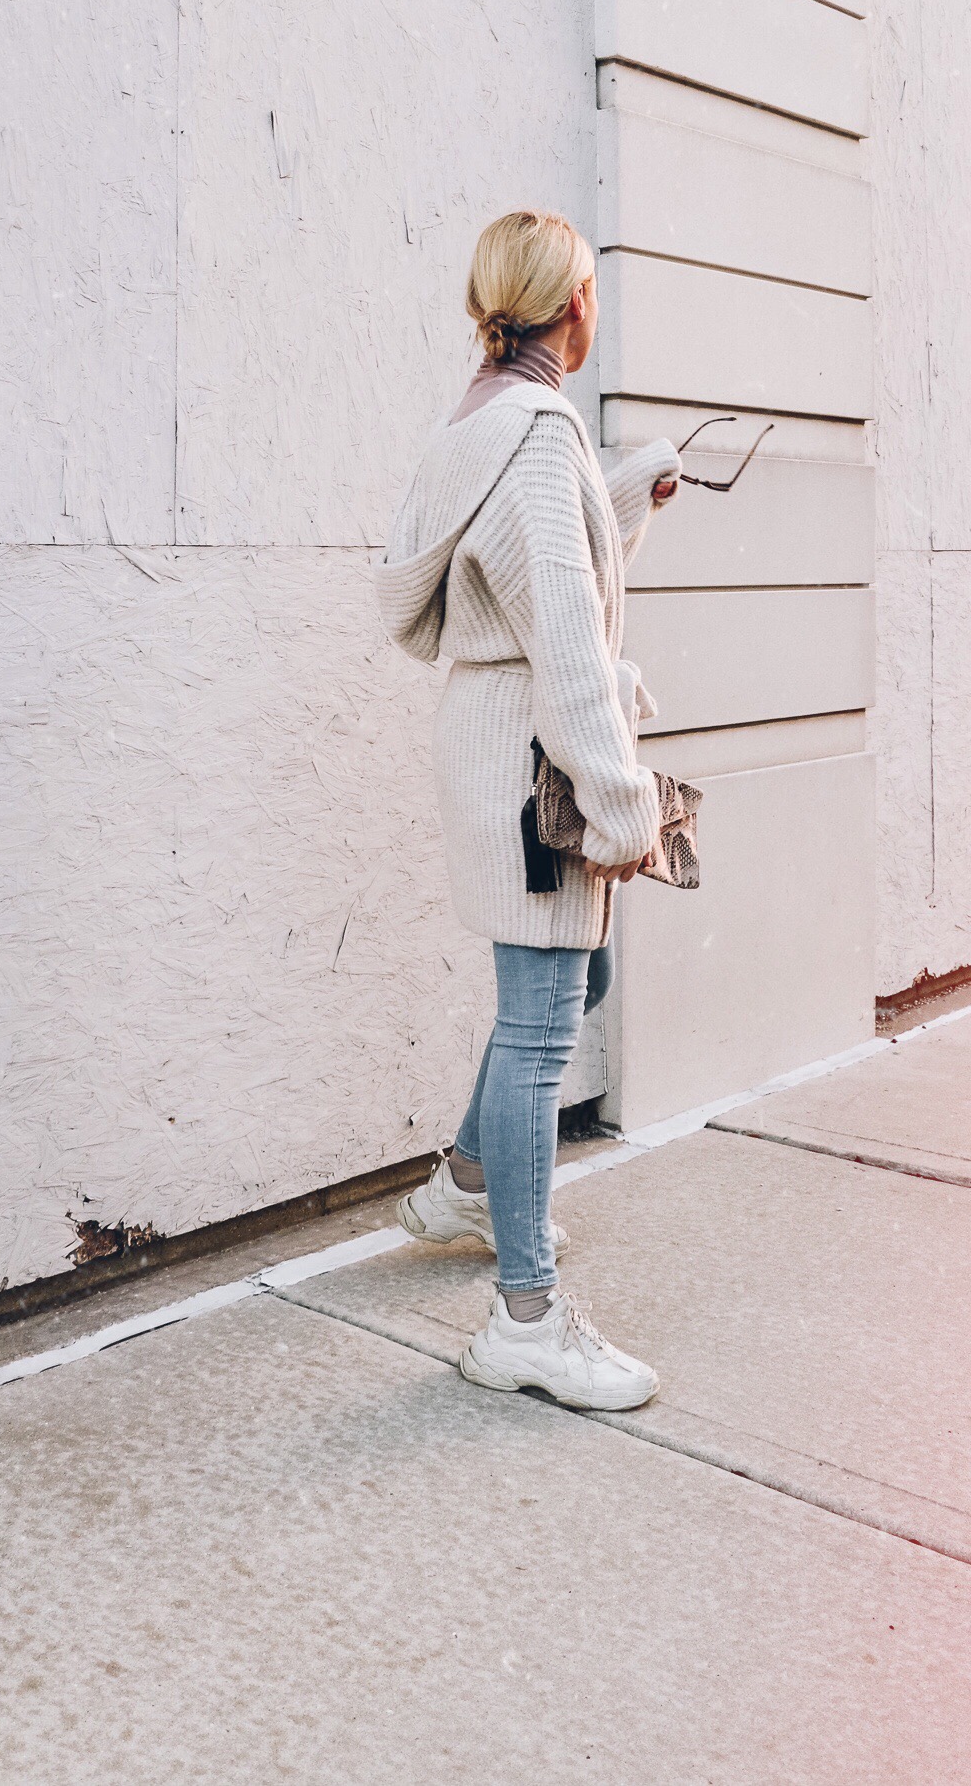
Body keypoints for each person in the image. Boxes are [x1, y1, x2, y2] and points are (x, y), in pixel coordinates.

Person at [375, 209, 679, 1410]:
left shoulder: (482, 417)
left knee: (568, 985)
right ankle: (527, 1321)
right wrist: (626, 806)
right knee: (547, 1016)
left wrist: (625, 495)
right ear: (573, 305)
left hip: (490, 742)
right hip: (536, 769)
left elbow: (529, 558)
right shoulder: (540, 438)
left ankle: (464, 1180)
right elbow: (564, 632)